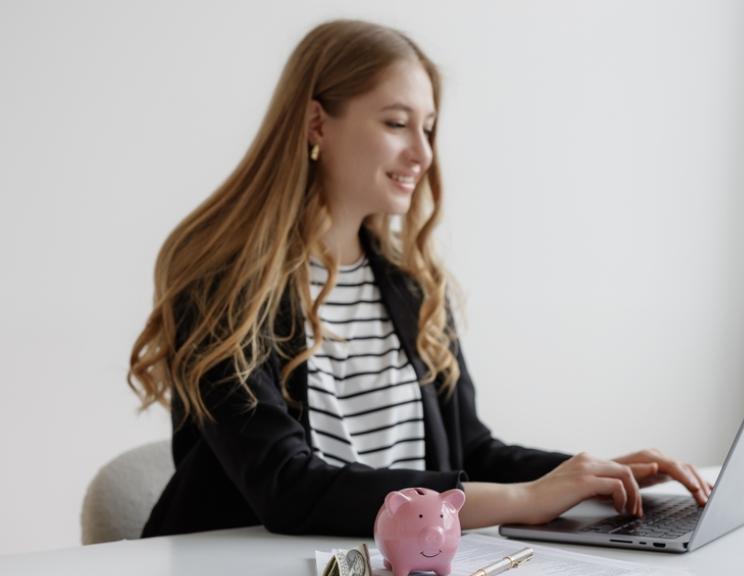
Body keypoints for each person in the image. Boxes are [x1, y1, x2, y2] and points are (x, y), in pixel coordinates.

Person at [128, 19, 712, 538]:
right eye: (397, 123)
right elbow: (288, 487)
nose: (423, 154)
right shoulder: (223, 280)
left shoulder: (412, 286)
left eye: (428, 128)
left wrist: (592, 477)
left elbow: (471, 451)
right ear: (316, 123)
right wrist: (523, 501)